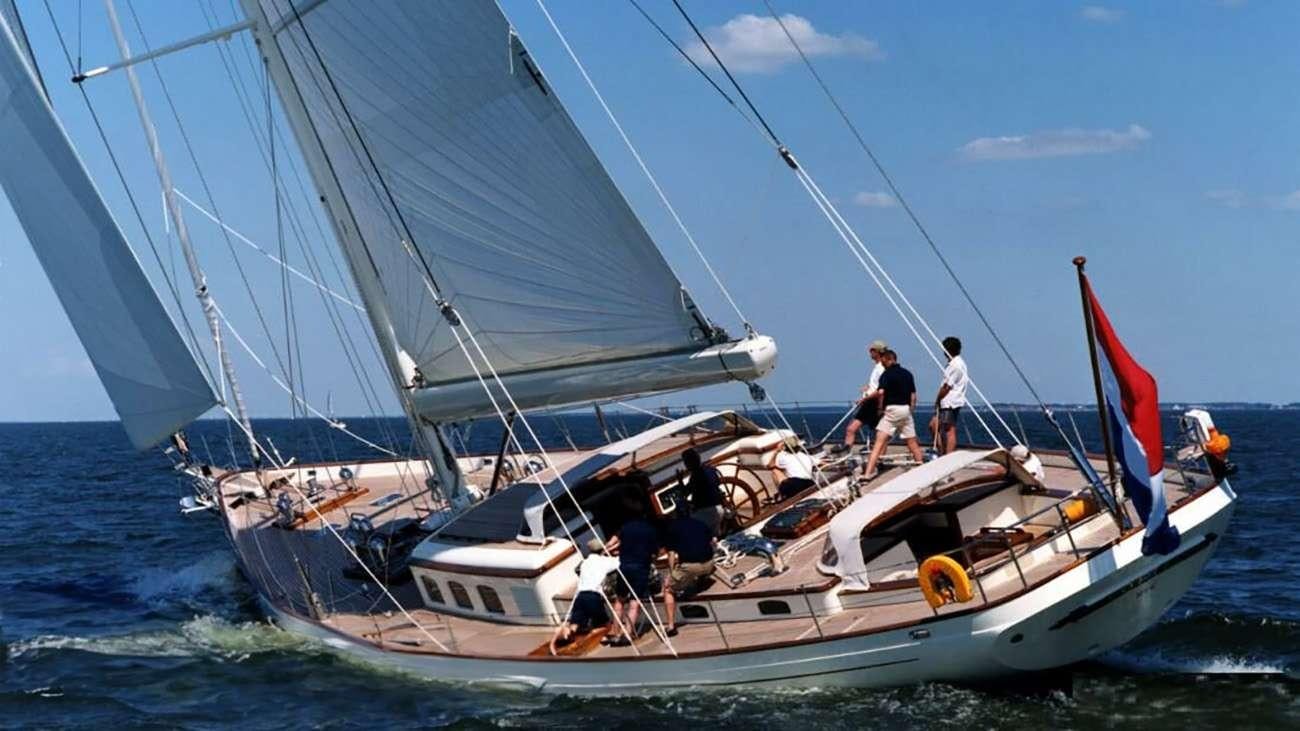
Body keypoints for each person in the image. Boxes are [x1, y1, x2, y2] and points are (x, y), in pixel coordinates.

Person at [549, 537, 621, 655]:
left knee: (574, 625)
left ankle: (564, 636)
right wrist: (615, 551)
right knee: (606, 624)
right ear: (602, 548)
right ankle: (600, 637)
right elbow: (619, 562)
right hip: (593, 596)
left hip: (580, 596)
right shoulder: (605, 561)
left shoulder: (585, 563)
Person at [862, 350, 926, 479]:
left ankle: (868, 474)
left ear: (888, 359)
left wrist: (880, 409)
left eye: (883, 361)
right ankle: (923, 469)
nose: (882, 363)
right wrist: (910, 410)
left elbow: (881, 393)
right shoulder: (908, 374)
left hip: (892, 410)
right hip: (906, 410)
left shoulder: (886, 374)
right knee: (912, 442)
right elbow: (913, 395)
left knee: (879, 442)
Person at [608, 494, 659, 647]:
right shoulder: (650, 530)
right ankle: (627, 634)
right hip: (640, 568)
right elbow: (654, 552)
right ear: (643, 515)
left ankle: (615, 633)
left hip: (624, 568)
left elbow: (612, 543)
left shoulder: (625, 528)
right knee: (634, 602)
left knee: (619, 600)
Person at [660, 511, 716, 637]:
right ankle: (702, 580)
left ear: (675, 515)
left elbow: (671, 555)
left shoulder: (672, 529)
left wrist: (672, 573)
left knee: (668, 589)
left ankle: (670, 626)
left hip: (691, 567)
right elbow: (713, 542)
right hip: (710, 564)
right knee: (698, 568)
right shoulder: (700, 523)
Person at [844, 340, 888, 449]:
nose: (870, 352)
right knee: (853, 429)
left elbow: (881, 389)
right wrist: (868, 387)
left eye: (872, 350)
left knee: (853, 429)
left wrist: (865, 399)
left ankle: (879, 458)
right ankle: (846, 453)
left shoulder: (881, 368)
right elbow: (876, 385)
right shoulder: (878, 367)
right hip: (870, 401)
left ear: (876, 352)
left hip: (873, 403)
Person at [929, 336, 969, 456]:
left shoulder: (955, 365)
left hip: (949, 402)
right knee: (935, 425)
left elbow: (947, 386)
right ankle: (942, 452)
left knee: (948, 430)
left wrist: (937, 399)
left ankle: (947, 456)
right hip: (952, 401)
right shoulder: (958, 363)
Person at [680, 448, 724, 536]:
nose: (685, 465)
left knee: (687, 530)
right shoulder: (711, 469)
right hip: (719, 510)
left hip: (705, 514)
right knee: (715, 536)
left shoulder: (695, 476)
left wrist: (680, 480)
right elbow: (718, 483)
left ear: (689, 463)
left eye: (685, 462)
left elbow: (684, 493)